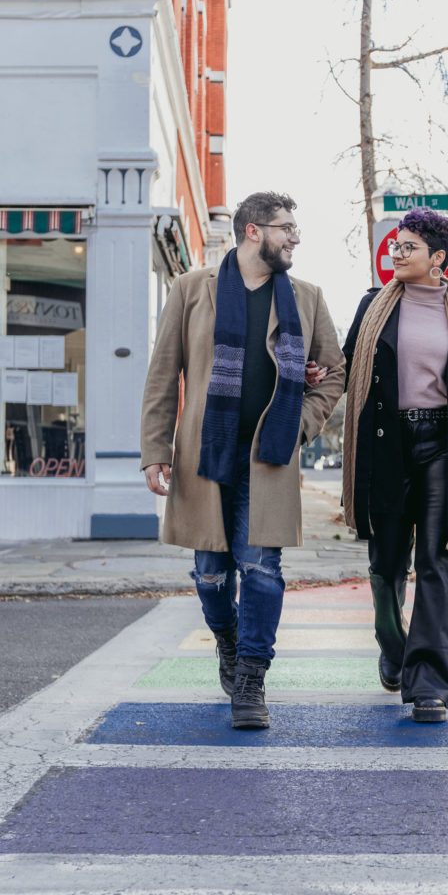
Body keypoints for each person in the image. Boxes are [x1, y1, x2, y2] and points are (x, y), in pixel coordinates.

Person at [141, 192, 345, 729]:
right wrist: (154, 451)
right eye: (286, 228)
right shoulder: (191, 289)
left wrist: (300, 422)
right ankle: (227, 640)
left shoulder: (306, 297)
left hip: (269, 458)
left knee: (261, 570)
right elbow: (164, 375)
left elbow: (335, 372)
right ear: (253, 231)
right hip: (205, 457)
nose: (294, 237)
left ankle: (251, 679)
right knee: (211, 578)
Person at [342, 208, 448, 723]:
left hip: (444, 445)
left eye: (408, 245)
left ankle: (429, 685)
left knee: (437, 563)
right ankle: (393, 647)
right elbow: (347, 370)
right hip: (386, 442)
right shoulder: (374, 307)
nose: (397, 251)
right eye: (395, 243)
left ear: (438, 259)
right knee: (386, 565)